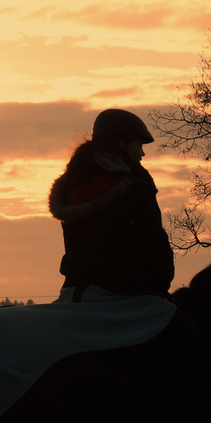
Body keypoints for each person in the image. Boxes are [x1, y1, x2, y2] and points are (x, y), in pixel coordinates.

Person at [47, 108, 173, 298]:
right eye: (138, 145)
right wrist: (160, 284)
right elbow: (153, 246)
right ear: (122, 144)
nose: (142, 154)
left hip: (73, 290)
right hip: (125, 293)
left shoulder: (74, 184)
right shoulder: (135, 186)